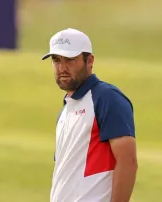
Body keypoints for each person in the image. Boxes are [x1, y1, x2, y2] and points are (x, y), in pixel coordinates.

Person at [42, 28, 137, 202]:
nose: (62, 68)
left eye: (70, 60)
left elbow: (127, 161)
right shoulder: (66, 110)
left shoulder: (107, 98)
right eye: (56, 60)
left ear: (89, 60)